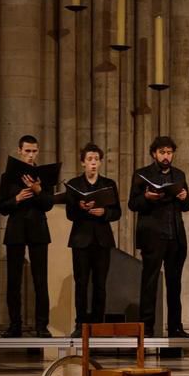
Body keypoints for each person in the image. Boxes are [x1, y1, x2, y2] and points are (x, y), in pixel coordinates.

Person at [128, 136, 189, 337]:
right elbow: (133, 204)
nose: (166, 156)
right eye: (162, 152)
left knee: (175, 283)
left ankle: (175, 326)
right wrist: (146, 198)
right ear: (154, 154)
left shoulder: (179, 174)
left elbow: (187, 205)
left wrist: (184, 197)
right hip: (152, 235)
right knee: (150, 281)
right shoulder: (142, 174)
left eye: (169, 152)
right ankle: (147, 327)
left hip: (175, 235)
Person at [0, 135, 54, 338]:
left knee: (40, 280)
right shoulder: (8, 177)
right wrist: (17, 198)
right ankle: (15, 325)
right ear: (19, 151)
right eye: (27, 151)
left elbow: (48, 204)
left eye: (34, 151)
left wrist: (38, 190)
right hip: (16, 230)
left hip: (38, 230)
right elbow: (2, 208)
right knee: (13, 280)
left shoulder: (43, 176)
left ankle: (41, 326)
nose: (31, 155)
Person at [64, 143, 122, 337]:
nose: (93, 163)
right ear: (82, 163)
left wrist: (104, 212)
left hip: (102, 239)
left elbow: (117, 213)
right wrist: (80, 207)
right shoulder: (74, 184)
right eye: (89, 160)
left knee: (100, 283)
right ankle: (80, 323)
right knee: (81, 282)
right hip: (81, 239)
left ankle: (98, 324)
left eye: (96, 160)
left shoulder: (108, 184)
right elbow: (70, 214)